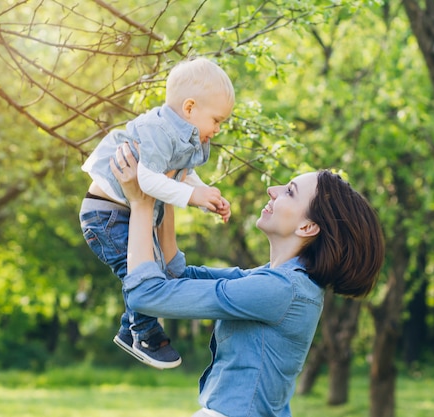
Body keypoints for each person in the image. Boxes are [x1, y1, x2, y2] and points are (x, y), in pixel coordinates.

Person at [112, 143, 385, 417]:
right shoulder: (274, 281)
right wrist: (163, 190)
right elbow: (177, 276)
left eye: (289, 192)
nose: (272, 191)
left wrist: (140, 203)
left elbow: (145, 295)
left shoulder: (279, 290)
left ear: (307, 227)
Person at [79, 57, 235, 369]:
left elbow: (179, 174)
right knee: (140, 272)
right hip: (107, 215)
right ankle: (144, 331)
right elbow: (148, 179)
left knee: (158, 269)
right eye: (216, 120)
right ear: (189, 108)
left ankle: (129, 327)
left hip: (128, 212)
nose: (217, 129)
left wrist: (206, 192)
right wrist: (193, 196)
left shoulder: (183, 136)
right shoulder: (159, 131)